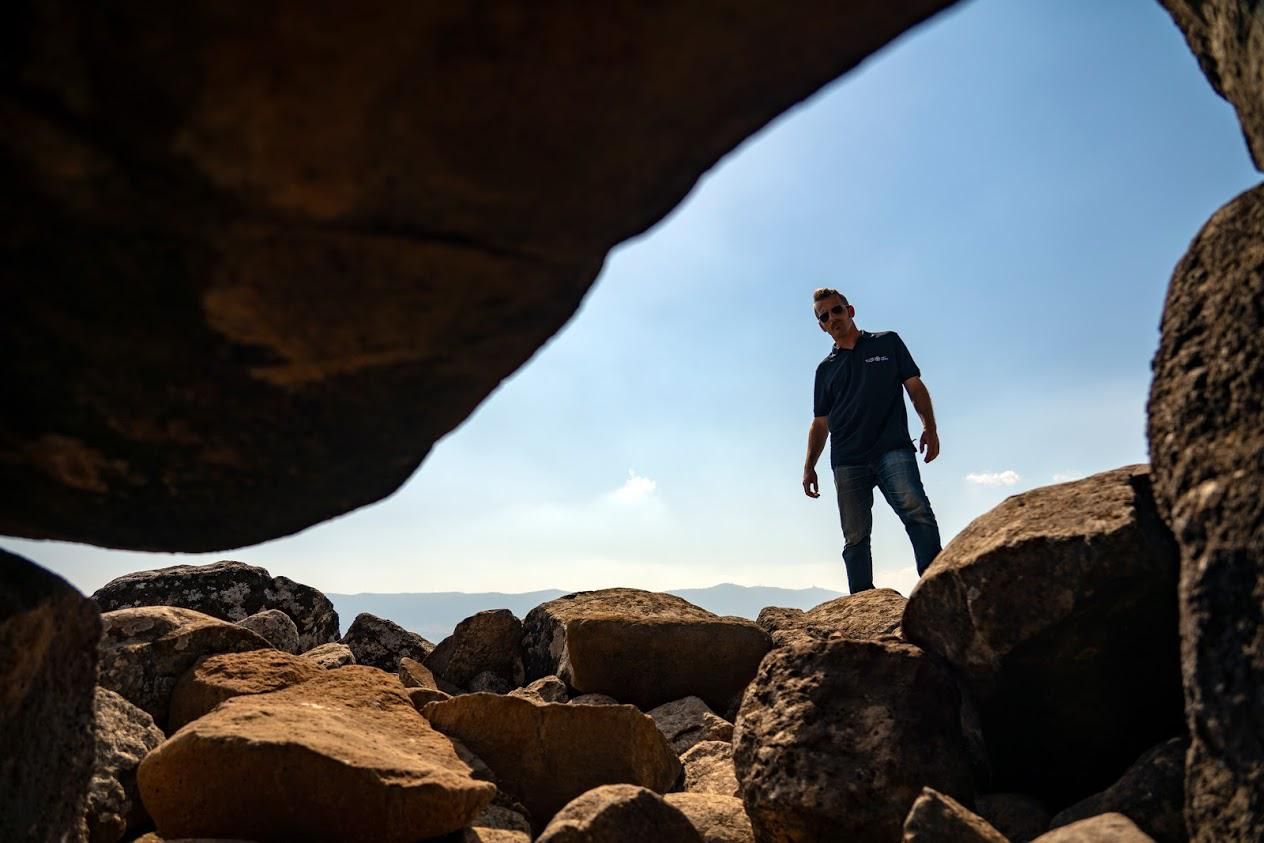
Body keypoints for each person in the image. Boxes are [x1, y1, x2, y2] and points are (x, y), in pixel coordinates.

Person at [802, 288, 943, 593]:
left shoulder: (887, 342)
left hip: (892, 448)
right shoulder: (825, 370)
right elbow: (820, 422)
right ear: (821, 326)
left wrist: (929, 428)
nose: (832, 318)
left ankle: (937, 592)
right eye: (824, 316)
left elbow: (914, 386)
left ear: (850, 311)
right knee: (855, 537)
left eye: (836, 310)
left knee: (916, 511)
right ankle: (863, 605)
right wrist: (809, 466)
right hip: (847, 461)